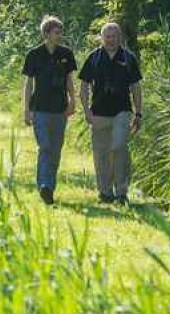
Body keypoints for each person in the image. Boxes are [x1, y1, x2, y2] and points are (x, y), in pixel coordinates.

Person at [78, 22, 143, 204]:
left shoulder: (128, 58)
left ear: (119, 37)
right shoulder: (94, 58)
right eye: (107, 36)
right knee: (101, 153)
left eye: (114, 36)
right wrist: (86, 111)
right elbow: (83, 85)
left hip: (122, 111)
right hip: (98, 112)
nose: (111, 40)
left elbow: (136, 87)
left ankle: (121, 192)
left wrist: (138, 114)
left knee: (119, 147)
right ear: (102, 38)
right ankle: (105, 193)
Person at [21, 15, 77, 205]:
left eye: (60, 31)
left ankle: (49, 187)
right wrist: (26, 110)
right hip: (40, 109)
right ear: (46, 33)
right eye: (56, 32)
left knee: (55, 149)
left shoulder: (66, 54)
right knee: (45, 147)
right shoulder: (34, 54)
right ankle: (44, 185)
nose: (59, 35)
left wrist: (73, 101)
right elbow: (28, 84)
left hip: (60, 109)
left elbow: (69, 80)